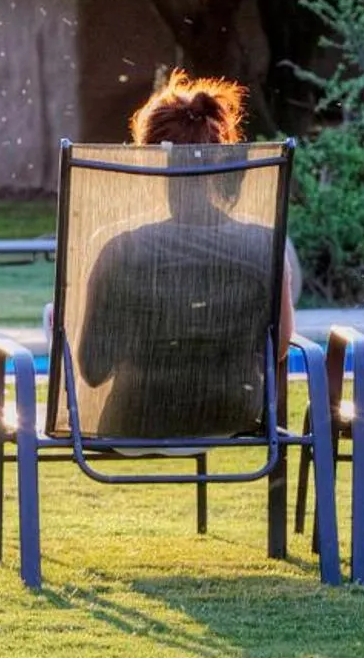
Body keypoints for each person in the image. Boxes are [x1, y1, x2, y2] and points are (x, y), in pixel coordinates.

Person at [68, 73, 298, 439]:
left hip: (136, 420)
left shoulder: (121, 250)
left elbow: (92, 370)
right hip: (233, 419)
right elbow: (279, 346)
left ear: (150, 160)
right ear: (220, 155)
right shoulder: (265, 246)